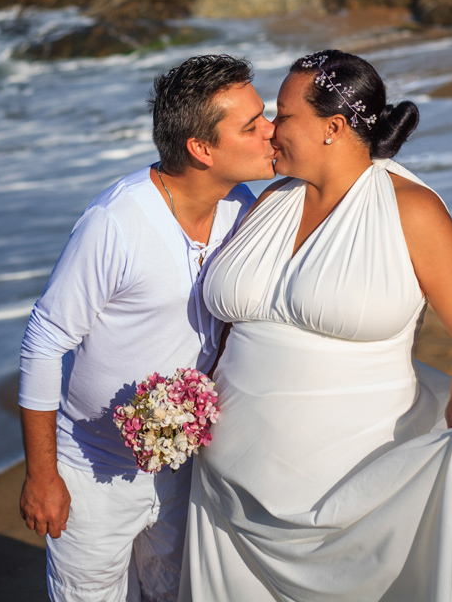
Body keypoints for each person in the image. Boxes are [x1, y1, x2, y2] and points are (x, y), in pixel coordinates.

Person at [180, 50, 452, 600]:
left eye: (284, 115)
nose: (269, 129)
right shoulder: (269, 199)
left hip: (357, 487)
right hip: (226, 492)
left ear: (333, 128)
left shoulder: (410, 210)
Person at [17, 54, 276, 602]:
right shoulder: (117, 222)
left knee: (176, 592)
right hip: (91, 464)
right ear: (202, 149)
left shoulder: (243, 208)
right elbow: (44, 340)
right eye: (252, 126)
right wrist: (42, 476)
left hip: (186, 461)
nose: (270, 132)